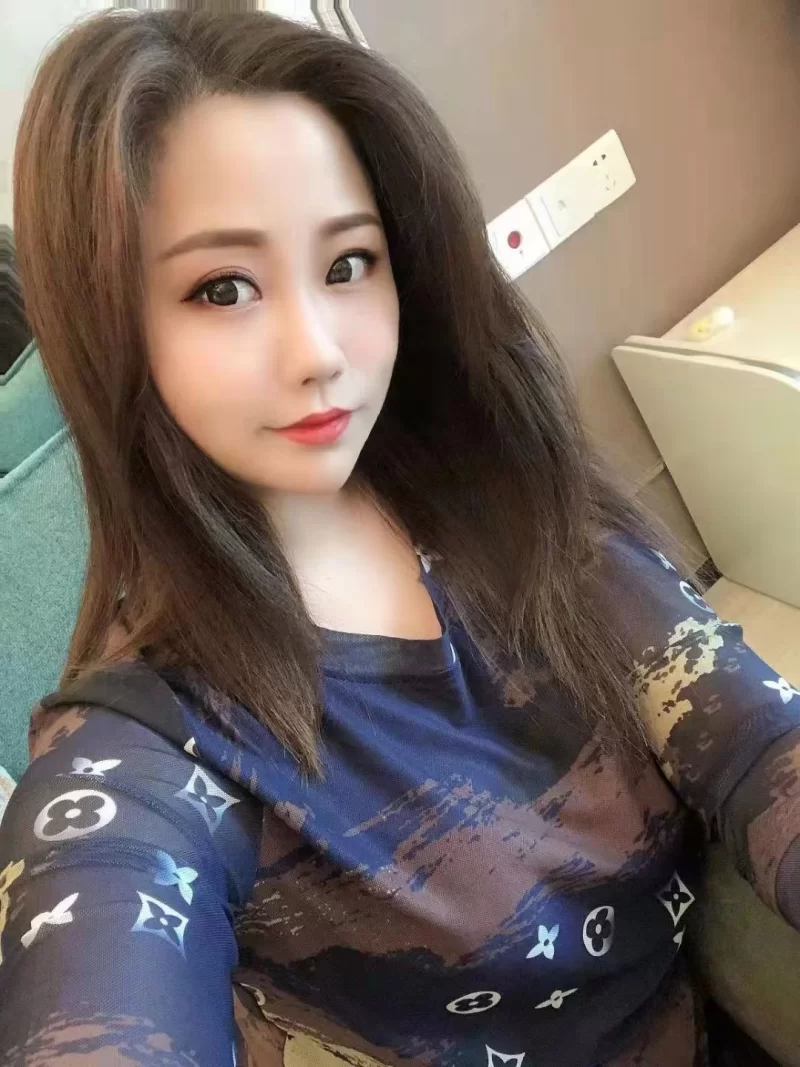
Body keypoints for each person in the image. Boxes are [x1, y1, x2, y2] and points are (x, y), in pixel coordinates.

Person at [0, 9, 797, 1066]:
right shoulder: (146, 749)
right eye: (222, 288)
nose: (318, 351)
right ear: (113, 325)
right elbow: (101, 966)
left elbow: (753, 739)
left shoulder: (507, 498)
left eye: (347, 263)